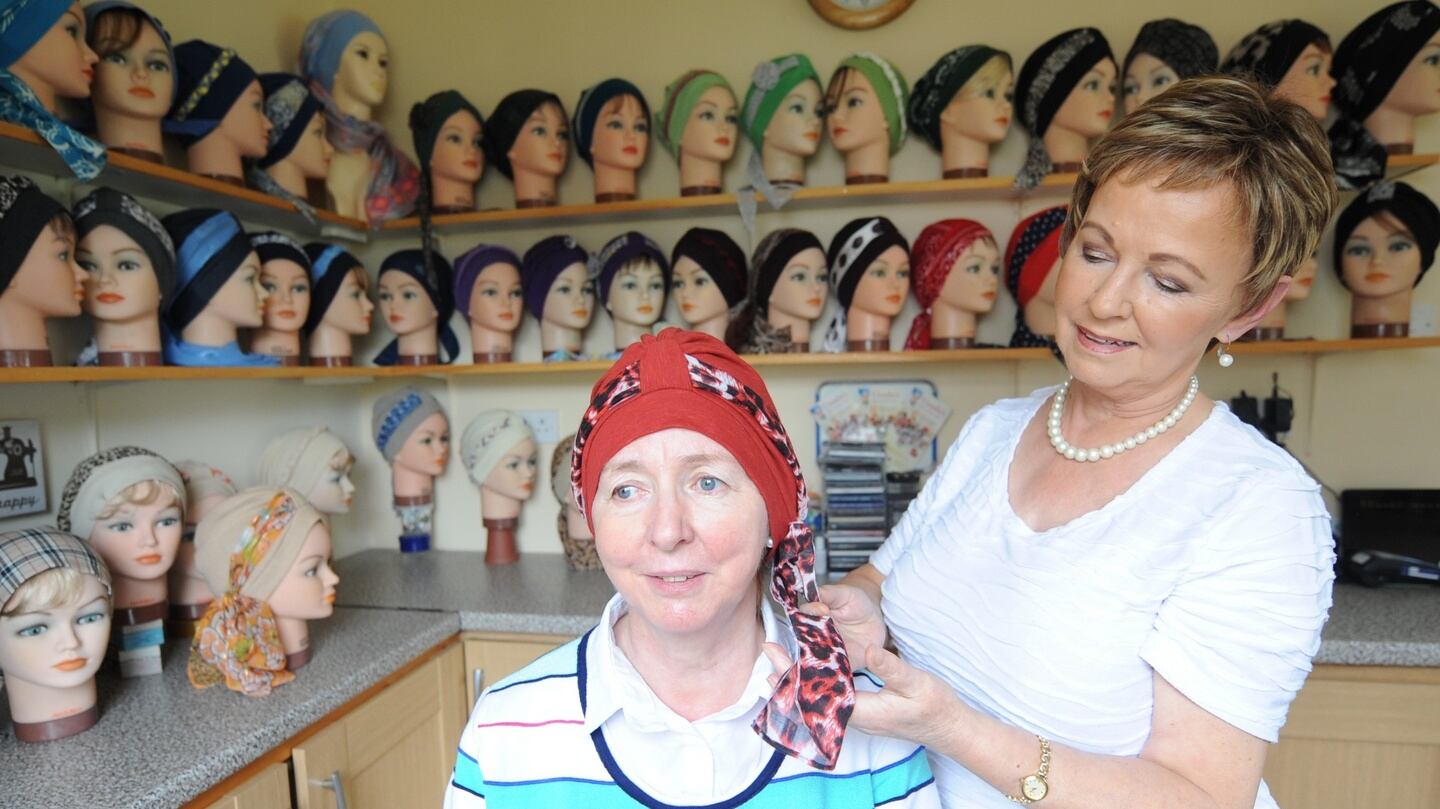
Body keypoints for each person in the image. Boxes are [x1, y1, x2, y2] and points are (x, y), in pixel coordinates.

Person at [803, 76, 1339, 808]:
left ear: (1249, 308)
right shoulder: (996, 429)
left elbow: (1201, 796)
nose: (1106, 299)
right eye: (1095, 250)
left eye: (1169, 282)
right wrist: (856, 607)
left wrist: (954, 727)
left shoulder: (1260, 507)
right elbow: (883, 582)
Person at [444, 329, 939, 807]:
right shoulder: (503, 731)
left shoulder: (874, 725)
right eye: (626, 490)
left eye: (706, 483)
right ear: (592, 519)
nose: (667, 530)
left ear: (775, 512)